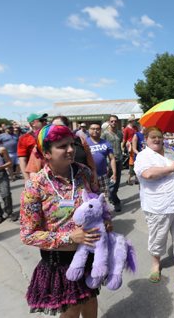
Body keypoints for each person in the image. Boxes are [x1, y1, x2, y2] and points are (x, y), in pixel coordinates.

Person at [20, 124, 108, 316]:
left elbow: (94, 202)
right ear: (46, 153)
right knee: (71, 310)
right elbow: (28, 235)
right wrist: (70, 238)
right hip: (60, 263)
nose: (71, 150)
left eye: (71, 144)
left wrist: (104, 218)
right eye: (62, 146)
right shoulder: (35, 186)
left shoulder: (83, 172)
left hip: (89, 255)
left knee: (91, 300)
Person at [134, 126, 174, 283]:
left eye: (159, 136)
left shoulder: (170, 152)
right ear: (146, 139)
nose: (157, 139)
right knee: (158, 237)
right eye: (153, 137)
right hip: (159, 206)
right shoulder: (143, 156)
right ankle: (155, 264)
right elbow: (147, 174)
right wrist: (172, 167)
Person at [86, 122, 116, 198]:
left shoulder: (106, 143)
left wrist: (114, 173)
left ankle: (104, 209)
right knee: (91, 197)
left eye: (97, 129)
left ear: (101, 130)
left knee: (104, 197)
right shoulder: (85, 143)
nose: (95, 131)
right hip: (89, 176)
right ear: (89, 130)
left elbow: (112, 159)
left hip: (103, 175)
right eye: (93, 129)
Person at [101, 115, 124, 209]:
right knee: (111, 183)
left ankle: (112, 197)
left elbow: (121, 142)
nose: (114, 123)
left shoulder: (119, 133)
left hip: (119, 159)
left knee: (117, 182)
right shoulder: (105, 134)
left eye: (115, 121)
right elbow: (101, 146)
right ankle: (116, 201)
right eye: (112, 121)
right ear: (109, 122)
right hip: (109, 161)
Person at [18, 113, 47, 180]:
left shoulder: (50, 135)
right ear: (33, 123)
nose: (45, 122)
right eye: (41, 120)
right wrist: (26, 178)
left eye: (45, 120)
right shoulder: (24, 138)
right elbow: (22, 160)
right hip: (35, 174)